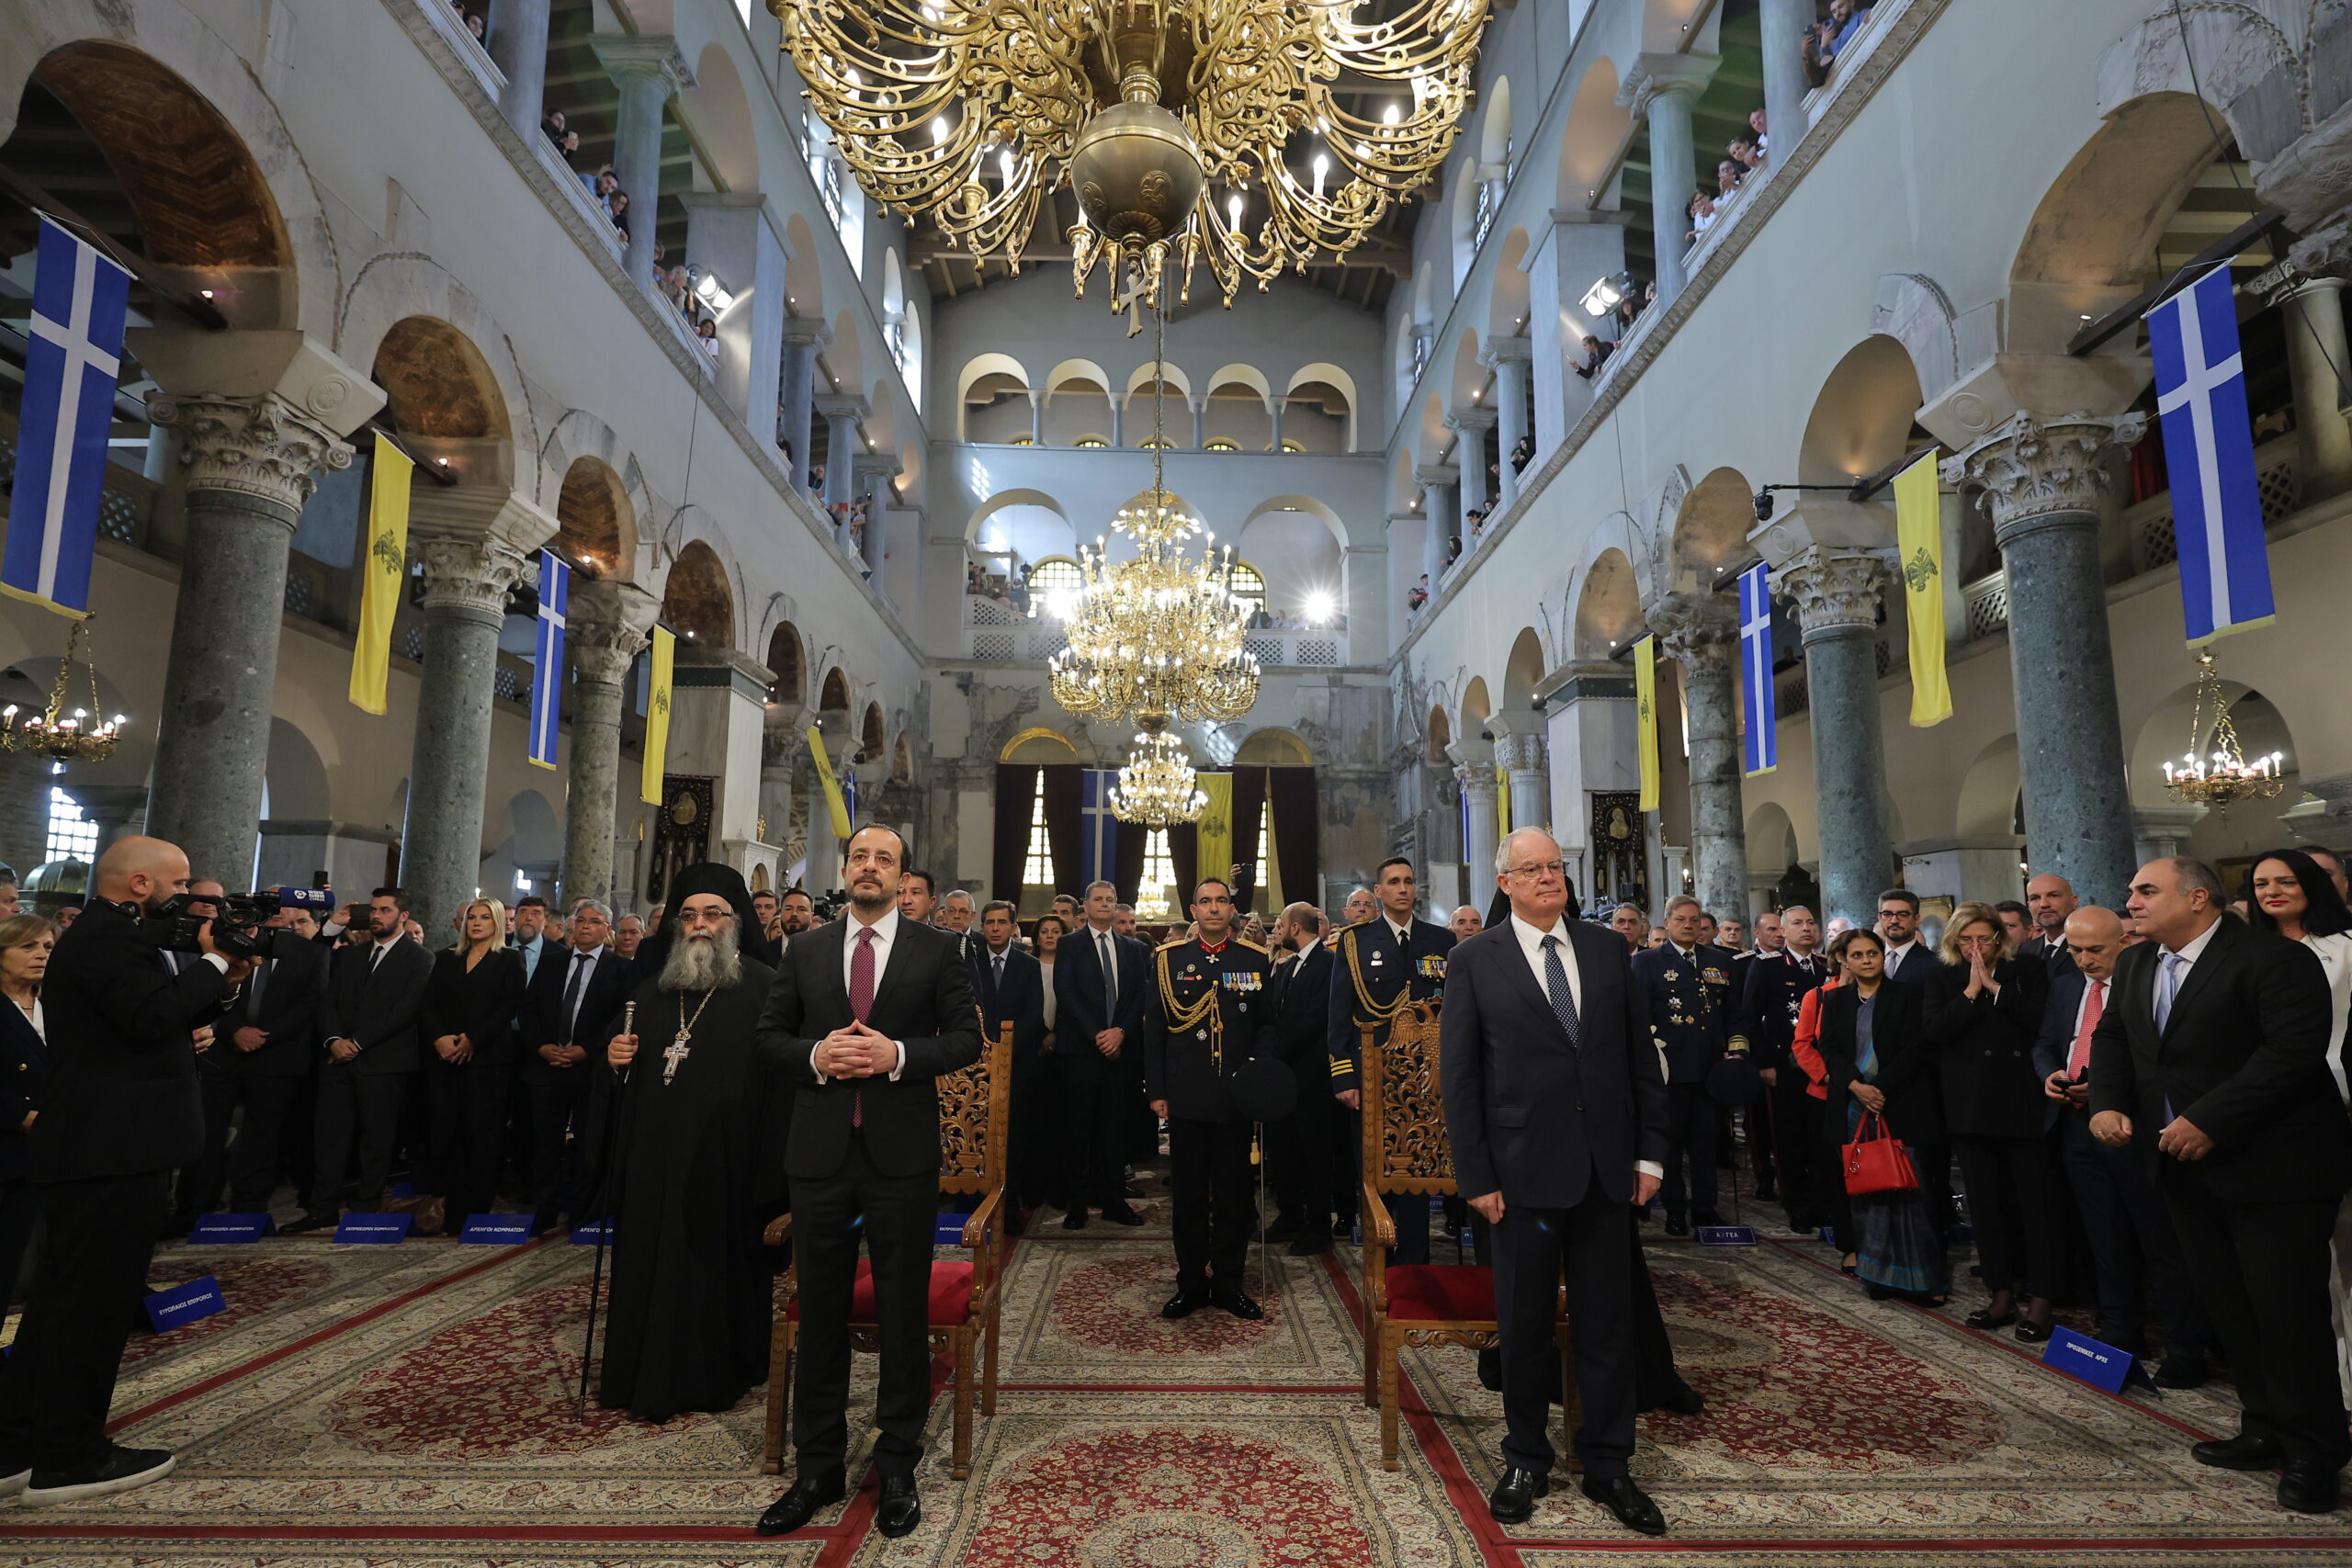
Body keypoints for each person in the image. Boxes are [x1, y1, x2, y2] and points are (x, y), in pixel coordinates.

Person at [2092, 858, 2352, 1512]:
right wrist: (2106, 1101)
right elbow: (2115, 1038)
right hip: (2182, 1165)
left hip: (2274, 1165)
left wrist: (2210, 1118)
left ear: (2198, 897)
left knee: (2287, 1312)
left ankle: (2317, 1449)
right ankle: (2262, 1424)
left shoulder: (2273, 959)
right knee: (2230, 1305)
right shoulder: (2136, 962)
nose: (2133, 902)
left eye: (2147, 891)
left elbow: (2292, 1053)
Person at [0, 838, 248, 1503]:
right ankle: (70, 1455)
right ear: (141, 883)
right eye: (182, 881)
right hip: (109, 1150)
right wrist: (216, 956)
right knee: (92, 1306)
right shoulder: (109, 938)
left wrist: (219, 980)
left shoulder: (110, 937)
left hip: (104, 1146)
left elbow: (151, 1013)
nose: (191, 894)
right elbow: (151, 1015)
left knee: (62, 1301)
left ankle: (18, 1443)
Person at [754, 826, 983, 1542]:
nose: (871, 868)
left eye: (886, 859)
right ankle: (817, 1465)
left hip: (900, 1157)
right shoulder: (807, 947)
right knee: (818, 1311)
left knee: (901, 1314)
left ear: (902, 875)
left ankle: (898, 1462)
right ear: (844, 869)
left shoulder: (936, 949)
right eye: (861, 857)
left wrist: (897, 1053)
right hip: (819, 1154)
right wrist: (820, 1053)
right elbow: (768, 1038)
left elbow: (966, 1040)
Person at [1441, 829, 1668, 1537]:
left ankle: (1608, 1462)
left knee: (1607, 1323)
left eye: (1555, 868)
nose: (1548, 878)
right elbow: (1461, 1077)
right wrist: (1476, 1174)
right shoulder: (1474, 959)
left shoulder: (1607, 948)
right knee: (1525, 1323)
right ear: (1505, 882)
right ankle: (1524, 1459)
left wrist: (1650, 1156)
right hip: (1519, 1173)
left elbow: (1639, 1060)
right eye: (1532, 870)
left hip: (1605, 1170)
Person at [584, 865, 786, 1427]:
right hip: (651, 1166)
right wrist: (612, 1062)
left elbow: (784, 1088)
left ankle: (717, 1373)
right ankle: (637, 1372)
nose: (701, 926)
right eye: (690, 916)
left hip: (726, 1168)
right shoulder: (649, 993)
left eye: (713, 915)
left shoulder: (768, 990)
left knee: (713, 1270)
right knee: (650, 1261)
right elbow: (616, 1080)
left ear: (735, 924)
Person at [2035, 906, 2210, 1385]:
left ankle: (2184, 1345)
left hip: (2137, 1127)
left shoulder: (2149, 983)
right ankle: (2120, 1330)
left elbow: (2163, 1060)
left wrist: (2109, 1093)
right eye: (2075, 950)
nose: (2085, 960)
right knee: (2104, 1235)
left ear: (2123, 943)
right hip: (2076, 1125)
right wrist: (2049, 1073)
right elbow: (2048, 1041)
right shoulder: (2068, 984)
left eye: (2095, 950)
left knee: (2160, 1239)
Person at [1922, 901, 2056, 1340]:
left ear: (2000, 938)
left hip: (2021, 1102)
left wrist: (1996, 987)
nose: (1976, 947)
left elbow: (2040, 1023)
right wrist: (1971, 992)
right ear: (1954, 942)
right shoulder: (1942, 977)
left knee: (2034, 1206)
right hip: (1970, 1105)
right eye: (1966, 939)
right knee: (1985, 1205)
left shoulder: (2029, 972)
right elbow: (1935, 1032)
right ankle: (2001, 1293)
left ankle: (2041, 1298)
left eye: (1984, 938)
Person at [1145, 878, 1274, 1319]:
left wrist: (1259, 1080)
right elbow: (1154, 1034)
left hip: (1237, 1099)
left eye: (1221, 901)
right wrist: (1157, 1092)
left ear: (1232, 909)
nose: (1214, 908)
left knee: (1235, 1195)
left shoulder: (1254, 959)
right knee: (1190, 1198)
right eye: (1205, 902)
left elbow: (1266, 1027)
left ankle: (1228, 1282)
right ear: (1193, 909)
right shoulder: (1169, 960)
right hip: (1187, 1097)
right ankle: (1191, 1283)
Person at [1327, 857, 1454, 1264]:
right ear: (1378, 892)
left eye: (1409, 881)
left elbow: (1452, 1011)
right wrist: (1344, 1077)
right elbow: (1338, 1016)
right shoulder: (1355, 941)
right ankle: (1378, 1262)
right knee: (1373, 1172)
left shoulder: (1442, 941)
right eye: (1394, 882)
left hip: (1424, 1075)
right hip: (1372, 1075)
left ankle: (1415, 1261)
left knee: (1416, 1169)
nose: (1403, 888)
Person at [1815, 928, 1946, 1302]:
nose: (1866, 960)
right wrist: (1856, 1086)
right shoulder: (1836, 1000)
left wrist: (1880, 1088)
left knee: (1911, 1191)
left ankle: (1924, 1282)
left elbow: (1915, 1047)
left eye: (1872, 953)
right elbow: (1829, 1047)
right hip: (1854, 1106)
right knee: (1867, 1193)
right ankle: (1879, 1277)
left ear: (1881, 957)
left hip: (1899, 1104)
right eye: (1857, 955)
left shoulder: (1906, 995)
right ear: (1846, 960)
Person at [288, 889, 432, 1230]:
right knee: (329, 1138)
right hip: (339, 1061)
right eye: (374, 909)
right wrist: (334, 1040)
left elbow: (404, 1011)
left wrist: (358, 1042)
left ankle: (366, 1210)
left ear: (403, 917)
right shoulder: (352, 956)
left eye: (385, 910)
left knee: (376, 1141)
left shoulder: (420, 958)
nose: (376, 916)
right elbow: (329, 1001)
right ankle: (321, 1209)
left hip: (384, 1062)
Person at [179, 901, 325, 1224]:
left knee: (262, 1136)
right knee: (206, 1132)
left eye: (281, 912)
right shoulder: (227, 943)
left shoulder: (309, 952)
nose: (276, 917)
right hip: (224, 1052)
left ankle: (248, 1209)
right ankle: (194, 1208)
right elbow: (213, 990)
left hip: (277, 1056)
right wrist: (235, 1030)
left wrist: (264, 1035)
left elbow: (310, 1003)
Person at [519, 897, 632, 1232]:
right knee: (545, 1143)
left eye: (594, 921)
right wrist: (541, 1046)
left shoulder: (620, 969)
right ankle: (545, 1211)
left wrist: (587, 1050)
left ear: (607, 930)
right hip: (547, 1066)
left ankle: (583, 1213)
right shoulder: (553, 962)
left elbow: (620, 1019)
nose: (585, 926)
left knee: (588, 1144)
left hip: (591, 1068)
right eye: (580, 920)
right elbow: (528, 1009)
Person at [420, 899, 525, 1231]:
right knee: (443, 1131)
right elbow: (427, 1004)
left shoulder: (509, 959)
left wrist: (472, 1040)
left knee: (481, 1135)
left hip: (488, 1060)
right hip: (444, 1059)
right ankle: (443, 1208)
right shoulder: (445, 958)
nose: (477, 923)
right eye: (471, 918)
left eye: (484, 918)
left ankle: (475, 1209)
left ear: (497, 923)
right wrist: (439, 1038)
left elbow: (508, 1005)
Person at [1630, 896, 1732, 1235]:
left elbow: (1732, 1014)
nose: (1689, 926)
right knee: (1669, 1146)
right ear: (1668, 921)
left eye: (1694, 920)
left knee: (1706, 1144)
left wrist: (1736, 1051)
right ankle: (1674, 1208)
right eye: (1682, 920)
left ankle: (1705, 1208)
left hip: (1709, 1070)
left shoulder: (1718, 960)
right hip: (1668, 1069)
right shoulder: (1648, 962)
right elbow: (1639, 1014)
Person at [1052, 881, 1148, 1228]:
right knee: (1078, 1129)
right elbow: (1066, 992)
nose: (1105, 904)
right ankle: (1077, 1204)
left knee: (1115, 1130)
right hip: (1080, 1051)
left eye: (1111, 899)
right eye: (1099, 899)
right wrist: (1098, 1034)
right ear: (1085, 907)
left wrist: (1120, 1031)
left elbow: (1140, 995)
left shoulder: (1134, 949)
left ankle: (1114, 1201)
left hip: (1120, 1053)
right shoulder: (1069, 944)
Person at [1737, 905, 1828, 1228]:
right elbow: (1750, 1019)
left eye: (1810, 922)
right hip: (1783, 1067)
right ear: (1783, 931)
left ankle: (1822, 1201)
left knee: (1819, 1139)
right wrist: (1762, 1064)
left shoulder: (1824, 967)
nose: (1806, 928)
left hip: (1820, 1069)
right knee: (1788, 1139)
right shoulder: (1768, 967)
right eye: (1797, 923)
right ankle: (1797, 1204)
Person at [1266, 902, 1338, 1255]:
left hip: (1312, 1077)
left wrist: (1275, 1050)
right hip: (1283, 1077)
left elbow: (1314, 1018)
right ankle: (1289, 1215)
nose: (1277, 931)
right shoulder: (1287, 965)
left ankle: (1318, 1226)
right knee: (1284, 1151)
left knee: (1315, 1154)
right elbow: (1276, 1013)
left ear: (1295, 928)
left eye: (1280, 925)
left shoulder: (1328, 963)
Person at [971, 900, 1046, 1230]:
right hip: (977, 1065)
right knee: (980, 1137)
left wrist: (1006, 1048)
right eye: (990, 923)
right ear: (983, 926)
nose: (996, 928)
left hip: (1019, 1063)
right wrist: (985, 1049)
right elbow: (965, 1008)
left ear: (1013, 927)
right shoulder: (969, 963)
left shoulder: (1028, 965)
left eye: (1002, 922)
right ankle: (979, 1207)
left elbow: (1035, 1012)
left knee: (1014, 1137)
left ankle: (1010, 1206)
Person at [0, 916, 55, 1322]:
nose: (41, 954)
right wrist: (22, 1115)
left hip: (52, 1148)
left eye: (48, 947)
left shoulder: (57, 1006)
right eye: (28, 946)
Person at [2020, 874, 2080, 976]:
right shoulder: (2026, 950)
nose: (2043, 904)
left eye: (2053, 895)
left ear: (2073, 902)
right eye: (2035, 898)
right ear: (2028, 905)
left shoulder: (2089, 946)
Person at [1876, 888, 1936, 984]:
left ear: (1917, 920)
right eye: (1887, 914)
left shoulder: (1934, 964)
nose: (1894, 920)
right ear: (1879, 918)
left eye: (1903, 914)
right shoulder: (1870, 959)